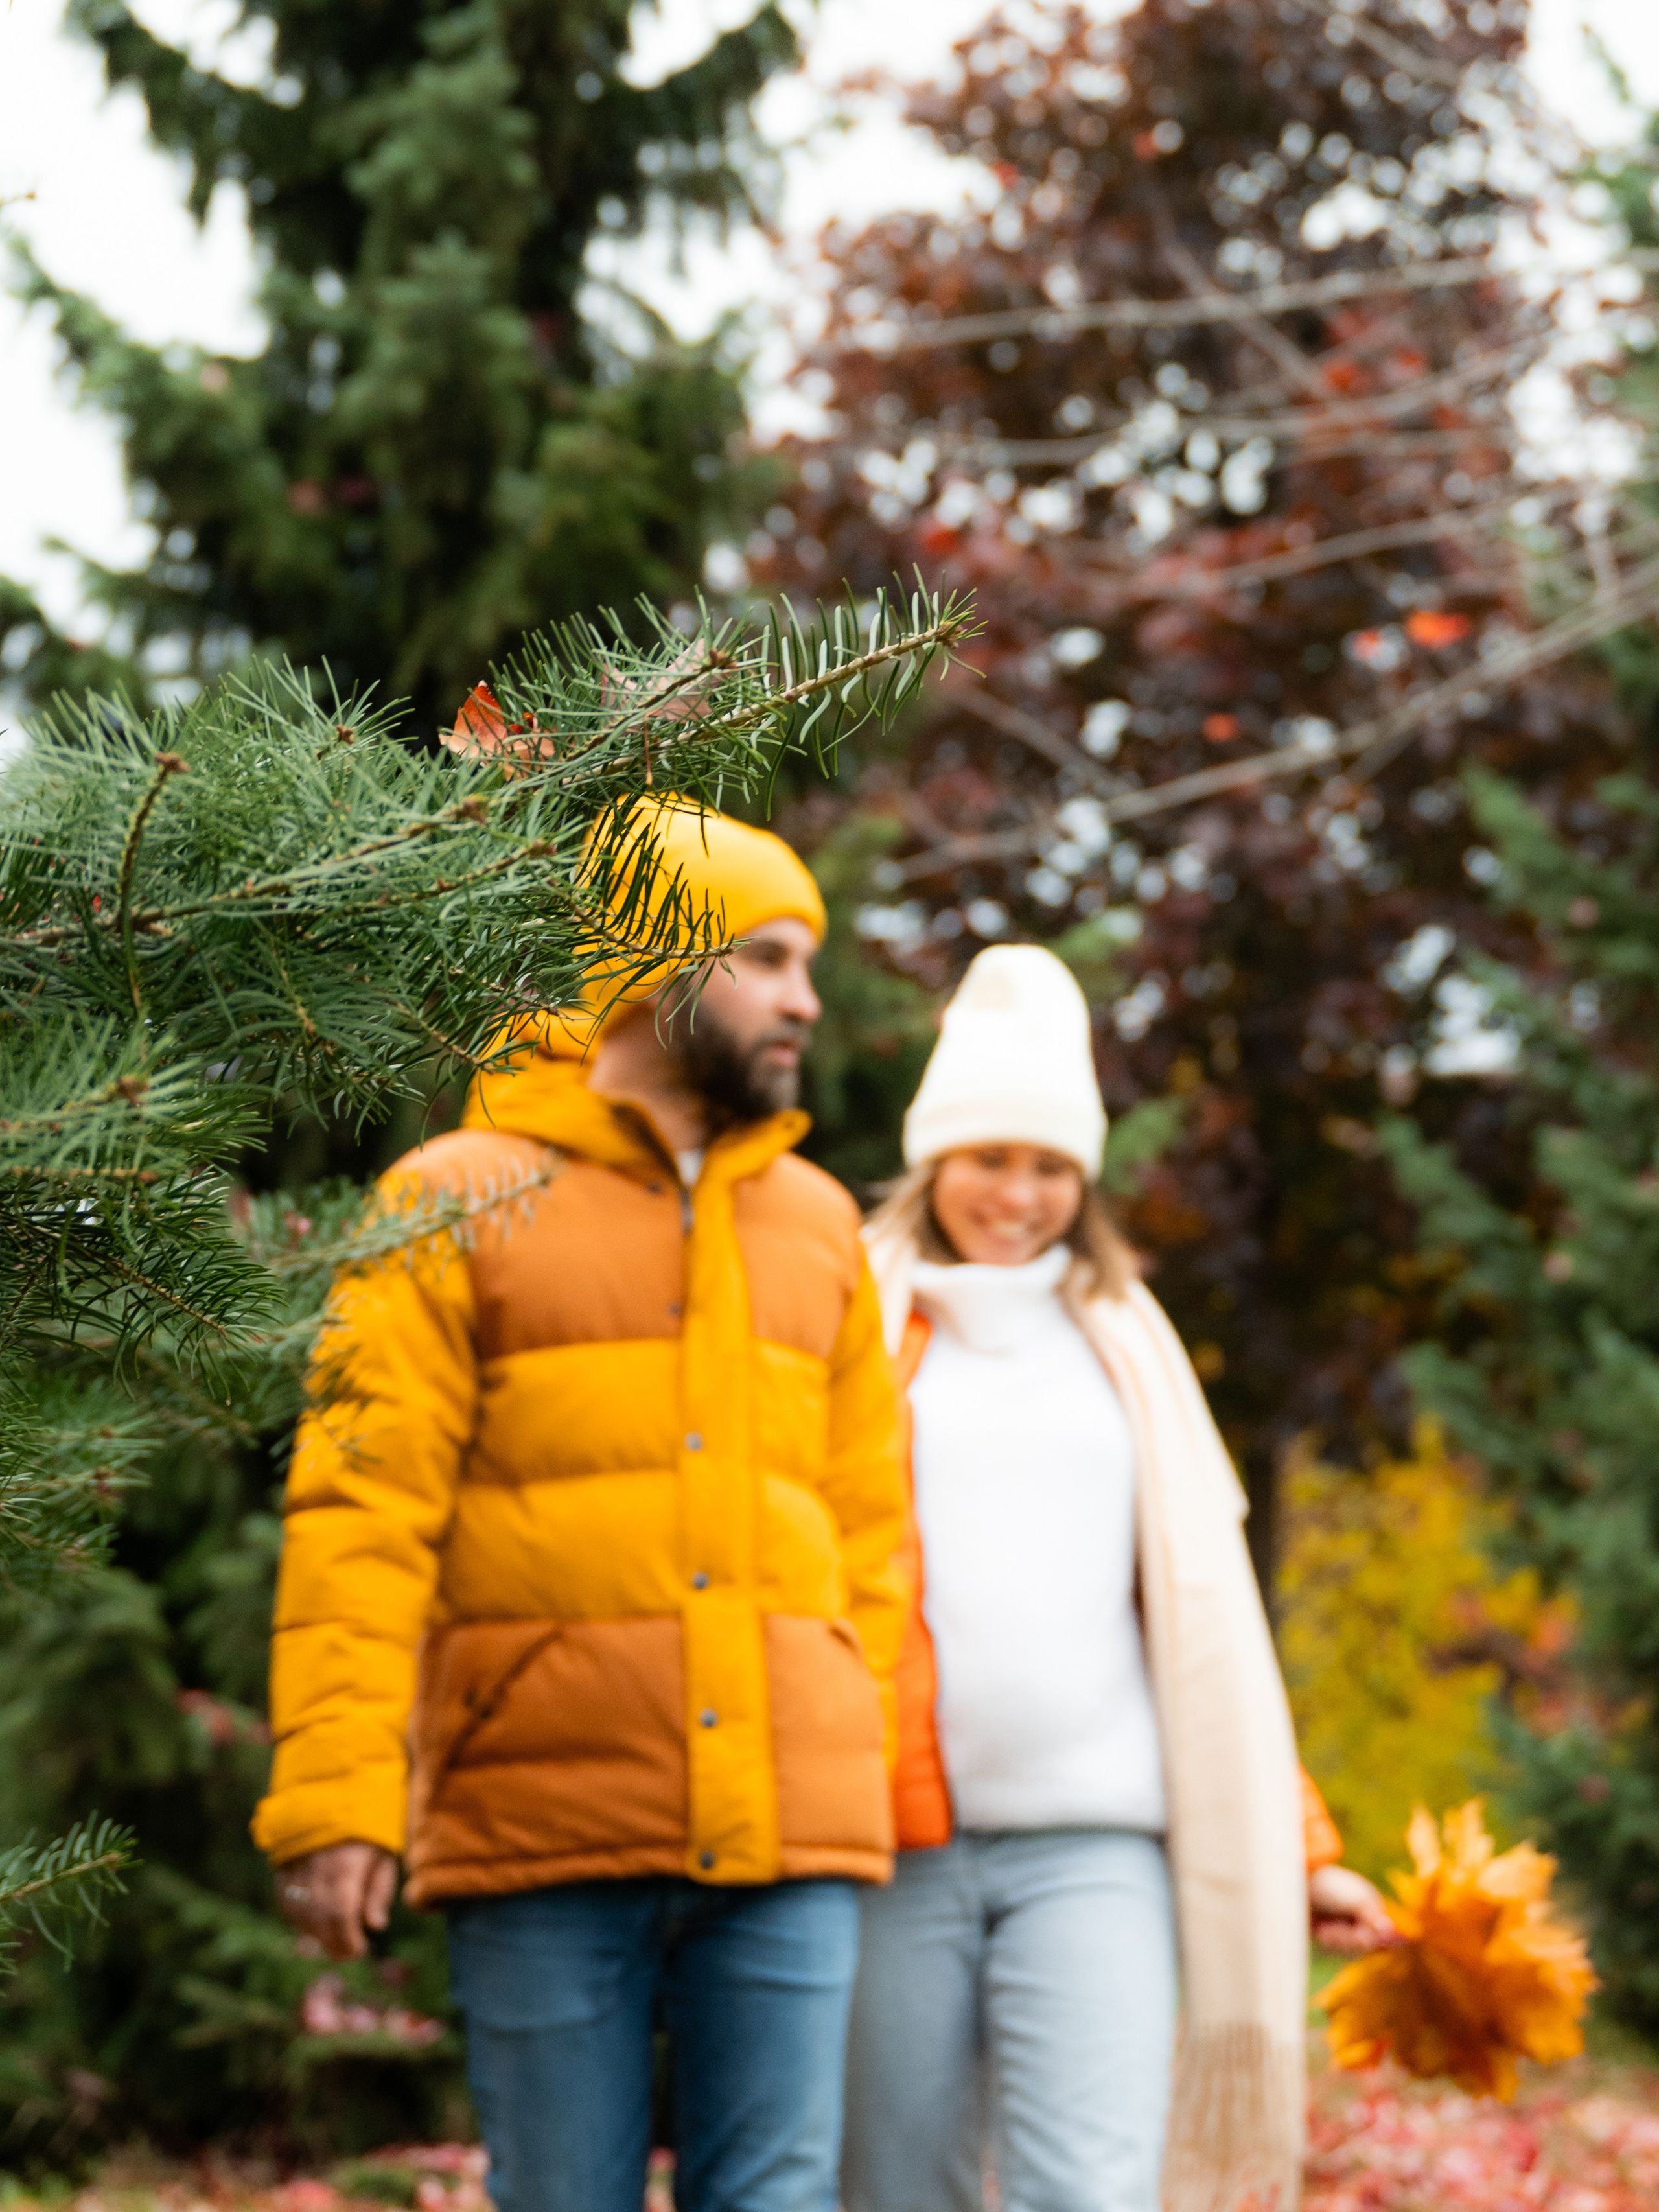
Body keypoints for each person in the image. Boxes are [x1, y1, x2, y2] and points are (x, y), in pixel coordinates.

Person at [253, 798, 909, 2212]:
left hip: (788, 1838)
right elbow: (362, 1517)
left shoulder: (817, 1227)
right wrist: (338, 1797)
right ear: (648, 969)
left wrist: (849, 1734)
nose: (806, 1000)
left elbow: (871, 1528)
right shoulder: (451, 1202)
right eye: (766, 959)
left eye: (807, 964)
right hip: (537, 1823)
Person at [844, 944, 1392, 2212]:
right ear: (934, 1157)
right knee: (891, 2191)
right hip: (890, 1844)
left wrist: (1304, 1849)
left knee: (1092, 2192)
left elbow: (1203, 1632)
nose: (1016, 1194)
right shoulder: (848, 1323)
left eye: (1048, 1166)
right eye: (988, 1156)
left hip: (1093, 1849)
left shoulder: (1125, 1343)